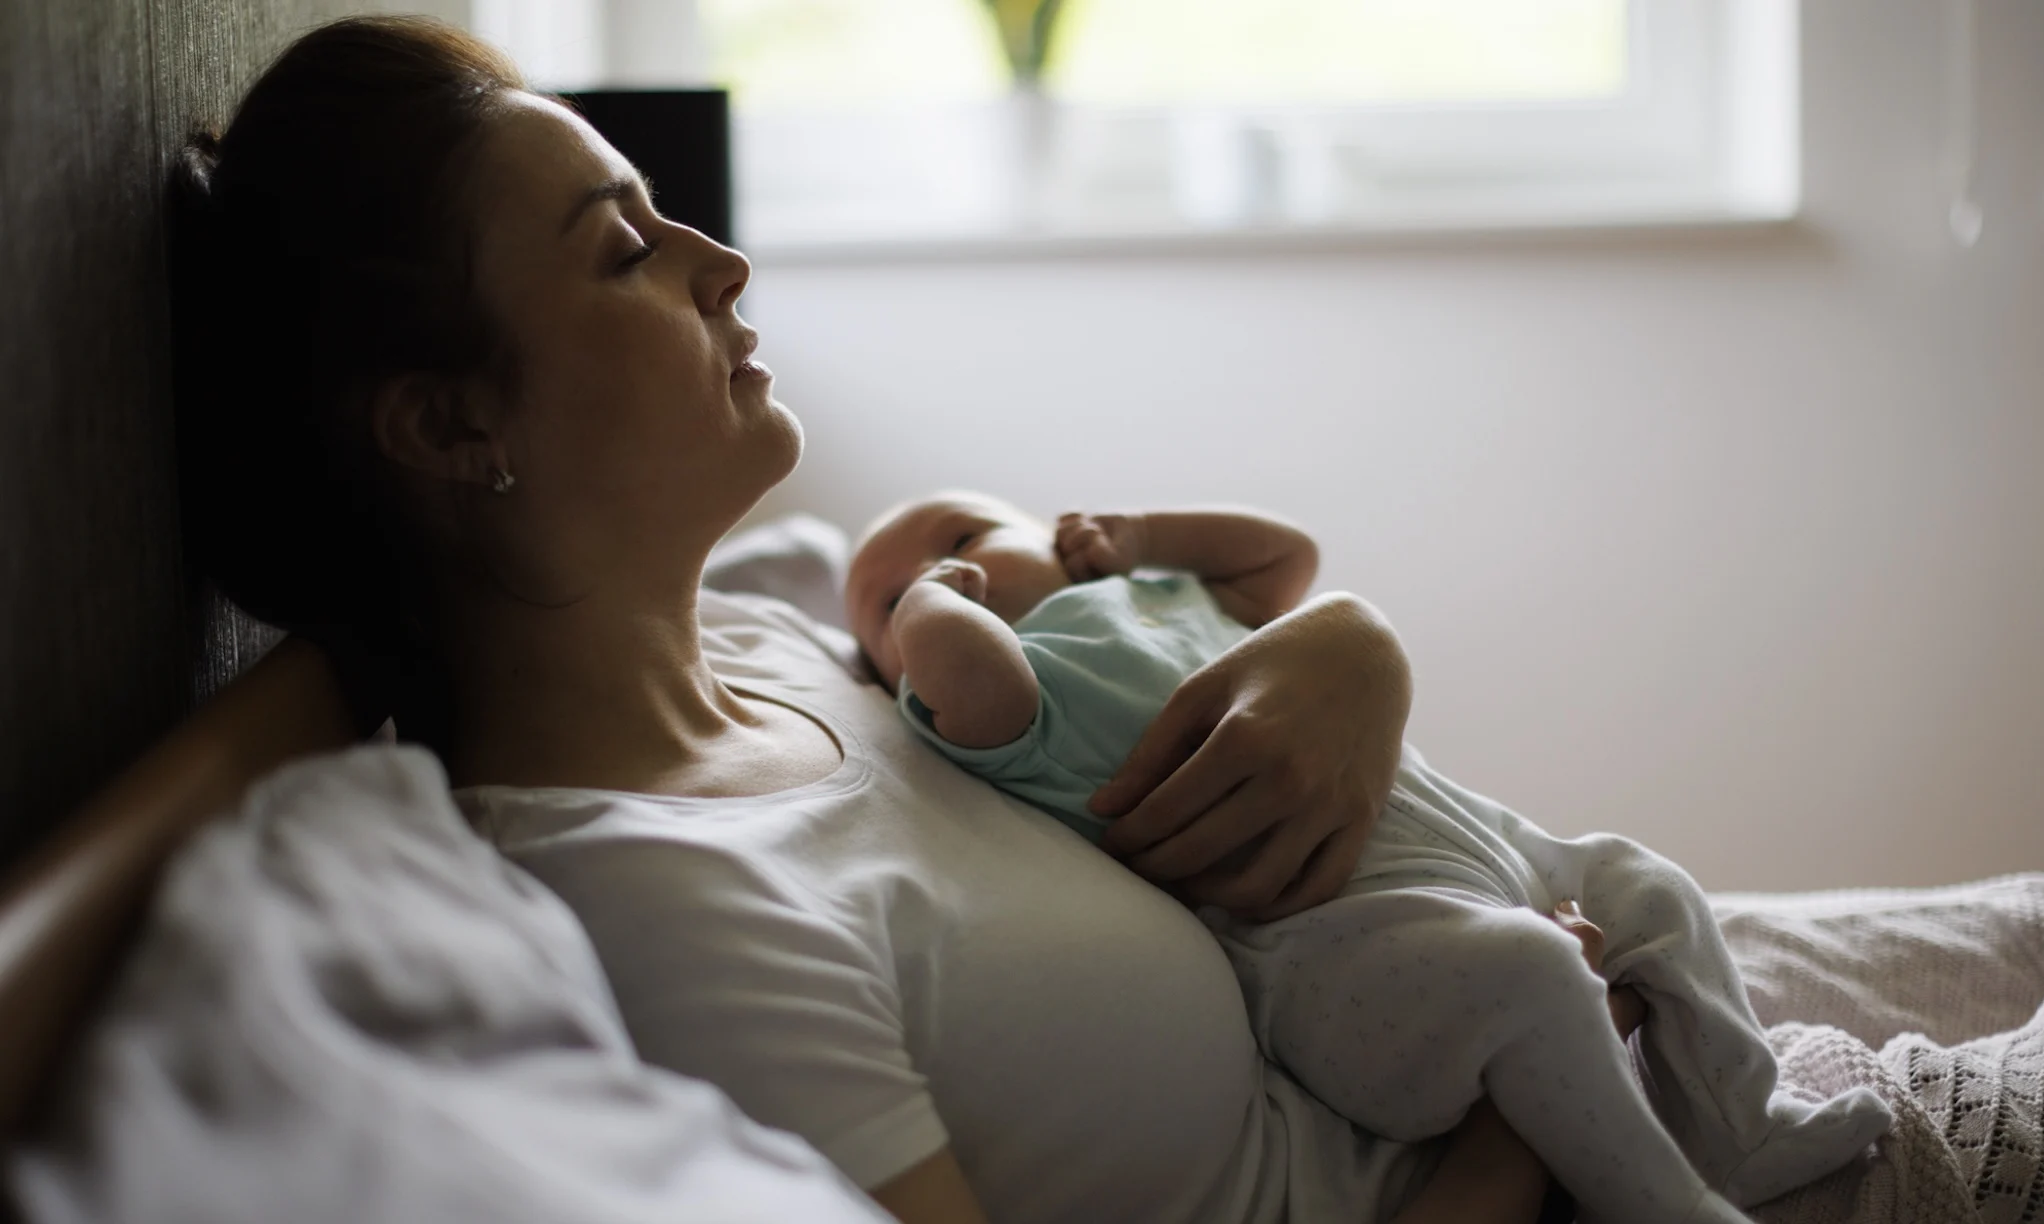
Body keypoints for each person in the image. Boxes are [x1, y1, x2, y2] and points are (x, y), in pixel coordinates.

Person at [167, 15, 1645, 1224]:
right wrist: (1532, 1133)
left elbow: (1117, 624)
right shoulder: (668, 906)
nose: (722, 263)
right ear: (446, 424)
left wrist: (1352, 648)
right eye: (625, 250)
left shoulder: (780, 634)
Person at [844, 495, 1895, 1224]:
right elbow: (966, 680)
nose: (935, 580)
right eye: (883, 608)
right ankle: (1658, 1201)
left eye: (964, 534)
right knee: (1530, 970)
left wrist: (1144, 535)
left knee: (1647, 881)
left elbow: (1283, 559)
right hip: (1337, 952)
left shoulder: (1157, 593)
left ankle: (1741, 1121)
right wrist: (939, 601)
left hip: (1485, 848)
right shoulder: (1003, 700)